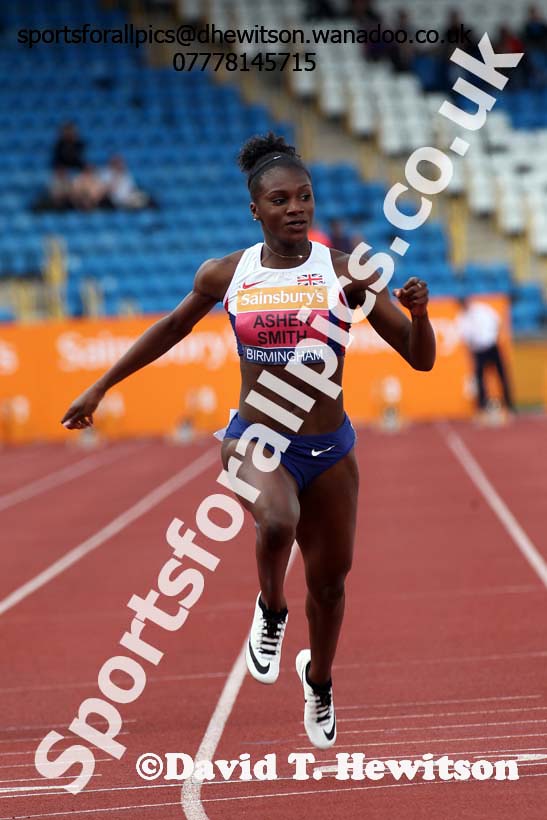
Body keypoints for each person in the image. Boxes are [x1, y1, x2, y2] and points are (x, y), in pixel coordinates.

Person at [61, 133, 436, 749]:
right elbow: (171, 328)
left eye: (305, 197)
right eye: (280, 199)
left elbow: (419, 361)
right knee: (277, 519)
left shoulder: (347, 272)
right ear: (254, 210)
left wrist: (418, 315)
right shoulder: (227, 274)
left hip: (330, 449)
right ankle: (270, 608)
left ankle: (318, 680)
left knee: (332, 585)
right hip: (256, 438)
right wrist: (100, 386)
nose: (296, 208)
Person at [458, 296, 514, 415]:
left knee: (502, 375)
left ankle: (509, 403)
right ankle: (482, 405)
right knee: (480, 379)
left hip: (492, 346)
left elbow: (496, 320)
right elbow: (465, 337)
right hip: (478, 350)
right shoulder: (461, 318)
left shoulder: (481, 309)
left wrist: (494, 336)